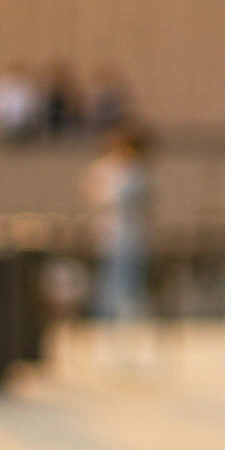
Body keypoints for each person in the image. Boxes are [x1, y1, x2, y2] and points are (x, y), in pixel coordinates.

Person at [82, 124, 153, 339]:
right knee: (108, 282)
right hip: (109, 234)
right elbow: (96, 196)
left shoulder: (140, 172)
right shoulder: (104, 169)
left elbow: (146, 204)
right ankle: (104, 326)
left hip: (133, 236)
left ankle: (127, 326)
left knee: (130, 284)